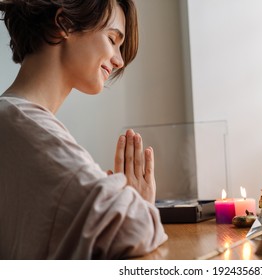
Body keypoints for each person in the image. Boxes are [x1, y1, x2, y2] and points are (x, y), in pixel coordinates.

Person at [0, 0, 167, 259]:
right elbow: (132, 229)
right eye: (112, 39)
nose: (120, 60)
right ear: (63, 24)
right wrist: (139, 204)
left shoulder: (14, 120)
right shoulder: (24, 125)